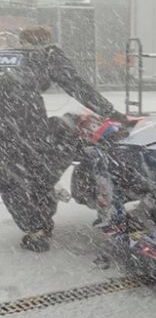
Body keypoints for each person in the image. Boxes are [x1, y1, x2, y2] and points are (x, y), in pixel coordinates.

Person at [0, 25, 122, 251]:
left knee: (14, 175)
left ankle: (37, 228)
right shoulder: (46, 54)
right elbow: (74, 83)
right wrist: (109, 112)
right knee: (36, 169)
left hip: (12, 127)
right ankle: (39, 227)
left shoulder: (10, 56)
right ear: (45, 41)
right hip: (24, 123)